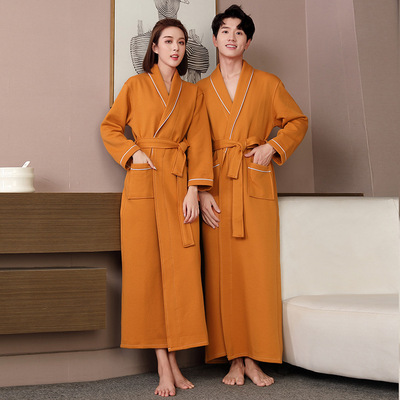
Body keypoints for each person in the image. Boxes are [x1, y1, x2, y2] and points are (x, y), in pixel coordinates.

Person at [197, 5, 308, 387]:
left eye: (239, 32)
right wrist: (202, 191)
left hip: (254, 184)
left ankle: (255, 358)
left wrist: (271, 147)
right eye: (225, 31)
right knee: (223, 275)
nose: (232, 37)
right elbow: (195, 144)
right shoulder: (200, 91)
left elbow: (297, 121)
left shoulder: (268, 83)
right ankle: (234, 358)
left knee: (258, 273)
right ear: (215, 40)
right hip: (217, 190)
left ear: (248, 42)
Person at [101, 18, 213, 397]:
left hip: (178, 185)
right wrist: (132, 153)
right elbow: (110, 127)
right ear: (154, 46)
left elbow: (200, 143)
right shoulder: (135, 86)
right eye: (168, 41)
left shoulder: (192, 94)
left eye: (181, 42)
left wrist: (194, 190)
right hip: (144, 181)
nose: (175, 48)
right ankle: (164, 364)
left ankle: (174, 361)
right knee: (146, 273)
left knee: (180, 272)